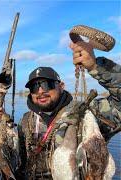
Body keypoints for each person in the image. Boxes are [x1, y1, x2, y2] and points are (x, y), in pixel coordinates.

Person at [15, 41, 121, 179]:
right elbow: (20, 162)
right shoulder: (25, 121)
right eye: (34, 87)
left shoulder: (87, 114)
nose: (40, 91)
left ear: (61, 86)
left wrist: (95, 66)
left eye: (46, 84)